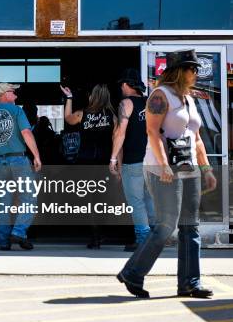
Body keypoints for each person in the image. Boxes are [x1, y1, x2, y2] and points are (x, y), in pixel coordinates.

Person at [117, 49, 217, 299]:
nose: (195, 73)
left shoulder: (190, 100)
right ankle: (132, 272)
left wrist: (206, 169)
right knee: (165, 225)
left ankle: (190, 283)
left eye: (196, 69)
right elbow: (152, 132)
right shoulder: (161, 96)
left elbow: (196, 139)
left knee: (189, 227)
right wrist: (163, 166)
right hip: (162, 169)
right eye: (191, 69)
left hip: (188, 169)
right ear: (178, 71)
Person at [61, 83, 117, 249]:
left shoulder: (82, 114)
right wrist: (115, 162)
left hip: (86, 162)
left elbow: (68, 118)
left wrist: (69, 98)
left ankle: (95, 236)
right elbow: (116, 141)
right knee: (103, 200)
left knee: (90, 201)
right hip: (104, 163)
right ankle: (101, 233)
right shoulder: (112, 117)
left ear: (93, 96)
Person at [0, 83, 42, 250]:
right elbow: (26, 133)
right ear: (4, 94)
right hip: (18, 160)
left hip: (0, 163)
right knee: (29, 199)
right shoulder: (17, 110)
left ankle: (3, 241)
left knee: (4, 202)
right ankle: (18, 232)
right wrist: (37, 156)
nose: (16, 96)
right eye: (13, 92)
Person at [109, 69, 156, 251]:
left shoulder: (126, 103)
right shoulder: (151, 103)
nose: (121, 87)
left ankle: (143, 239)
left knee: (136, 201)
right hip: (153, 160)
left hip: (134, 160)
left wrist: (113, 158)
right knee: (150, 200)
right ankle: (154, 237)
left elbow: (120, 132)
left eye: (122, 84)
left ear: (127, 85)